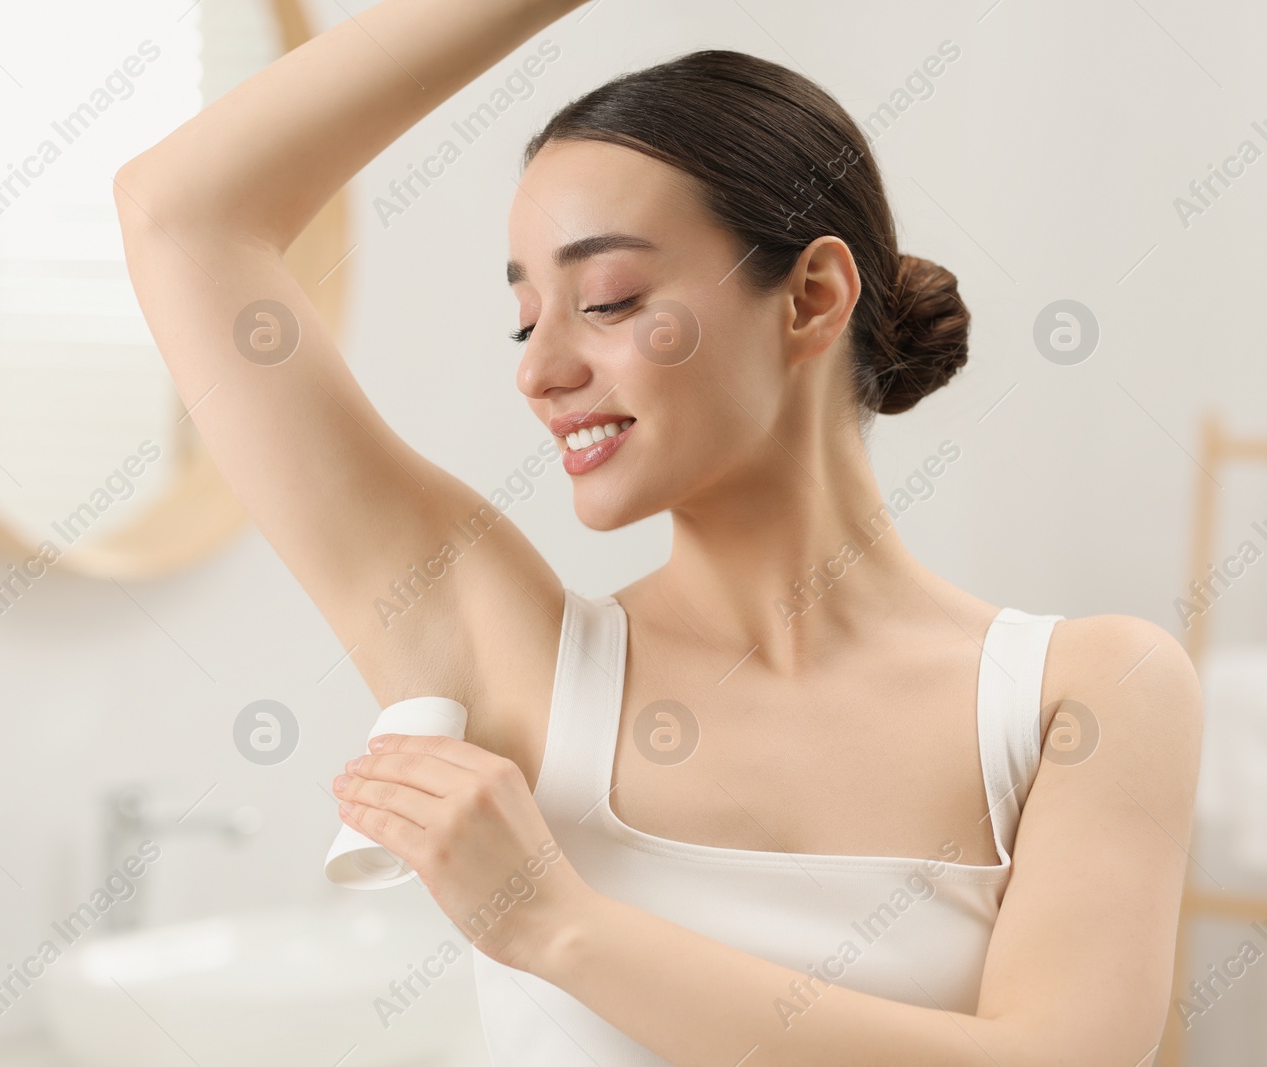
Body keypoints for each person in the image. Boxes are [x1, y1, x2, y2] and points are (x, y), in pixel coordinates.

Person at [113, 1, 1202, 1061]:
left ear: (812, 296)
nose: (539, 372)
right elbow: (182, 213)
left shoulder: (1083, 694)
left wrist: (555, 925)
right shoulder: (507, 653)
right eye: (523, 315)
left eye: (608, 298)